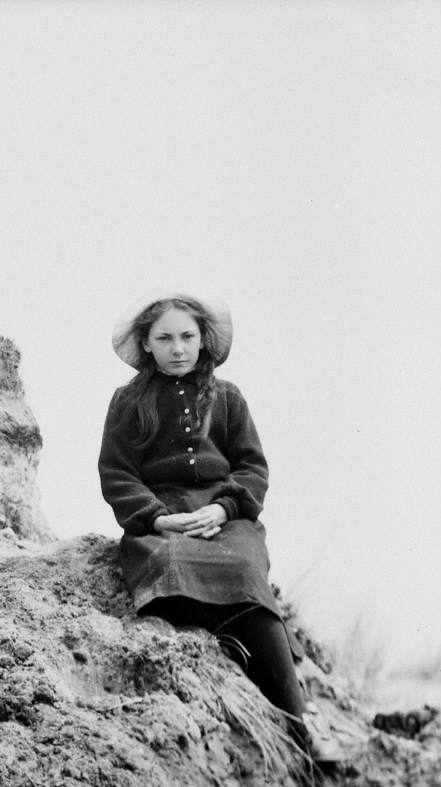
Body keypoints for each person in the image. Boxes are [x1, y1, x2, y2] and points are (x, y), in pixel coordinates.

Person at [97, 293, 338, 763]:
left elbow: (251, 467)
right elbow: (117, 472)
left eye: (187, 336)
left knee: (244, 569)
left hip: (223, 515)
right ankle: (234, 641)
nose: (178, 348)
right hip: (164, 516)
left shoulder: (227, 397)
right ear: (146, 344)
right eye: (164, 338)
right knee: (167, 564)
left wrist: (226, 509)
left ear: (202, 340)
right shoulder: (128, 401)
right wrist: (155, 516)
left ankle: (302, 719)